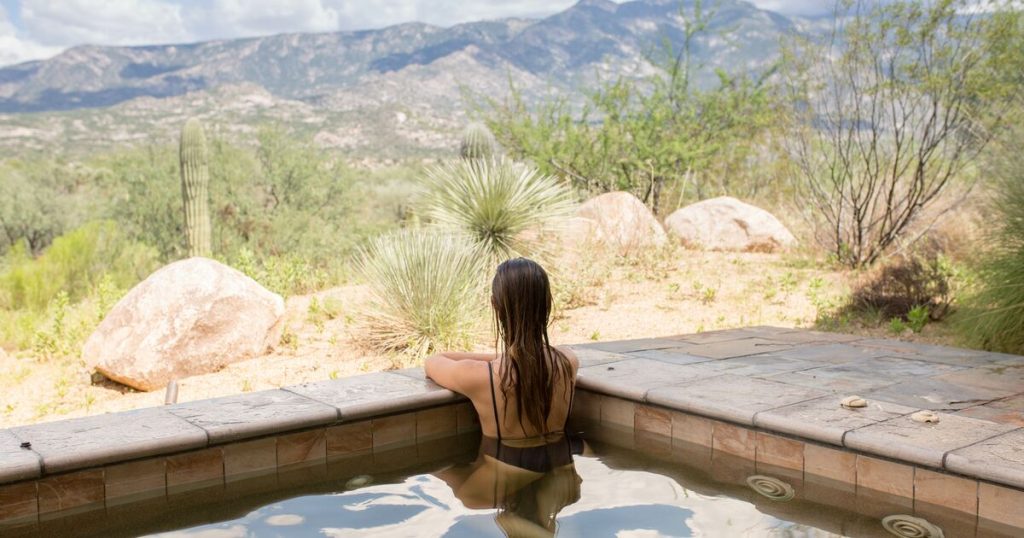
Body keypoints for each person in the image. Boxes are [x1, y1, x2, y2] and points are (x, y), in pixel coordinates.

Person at [426, 257, 583, 536]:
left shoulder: (479, 376)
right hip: (561, 473)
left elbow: (433, 361)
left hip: (502, 475)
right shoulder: (568, 362)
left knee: (437, 470)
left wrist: (505, 357)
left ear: (495, 306)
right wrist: (514, 355)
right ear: (547, 305)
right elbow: (531, 359)